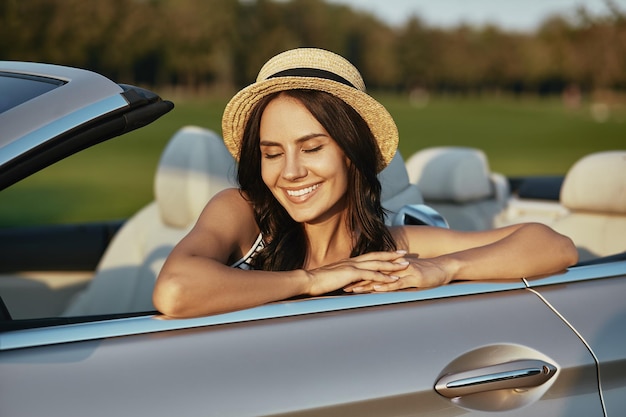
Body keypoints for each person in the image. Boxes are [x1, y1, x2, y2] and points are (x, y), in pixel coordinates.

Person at [153, 48, 578, 318]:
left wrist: (443, 268)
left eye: (312, 147)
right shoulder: (244, 216)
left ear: (352, 154)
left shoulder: (390, 250)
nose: (291, 172)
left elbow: (553, 245)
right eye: (272, 153)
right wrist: (315, 280)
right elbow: (174, 291)